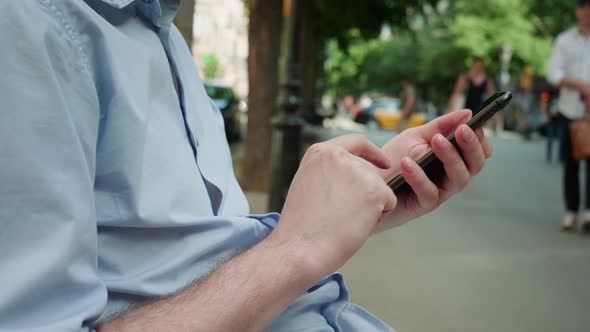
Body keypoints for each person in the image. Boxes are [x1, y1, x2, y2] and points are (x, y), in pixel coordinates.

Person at [0, 1, 492, 331]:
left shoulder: (159, 32)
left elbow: (197, 253)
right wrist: (294, 249)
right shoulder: (30, 24)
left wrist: (369, 197)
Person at [547, 0, 590, 232]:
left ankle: (588, 213)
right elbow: (554, 74)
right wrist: (581, 86)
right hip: (569, 110)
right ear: (577, 10)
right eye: (583, 6)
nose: (587, 12)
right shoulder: (564, 40)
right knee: (570, 164)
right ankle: (571, 211)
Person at [449, 57, 498, 130]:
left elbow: (493, 96)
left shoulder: (487, 80)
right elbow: (456, 92)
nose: (478, 68)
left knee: (476, 130)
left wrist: (496, 114)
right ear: (473, 65)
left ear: (483, 67)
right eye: (476, 65)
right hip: (466, 109)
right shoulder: (465, 77)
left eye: (480, 66)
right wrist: (451, 108)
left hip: (480, 110)